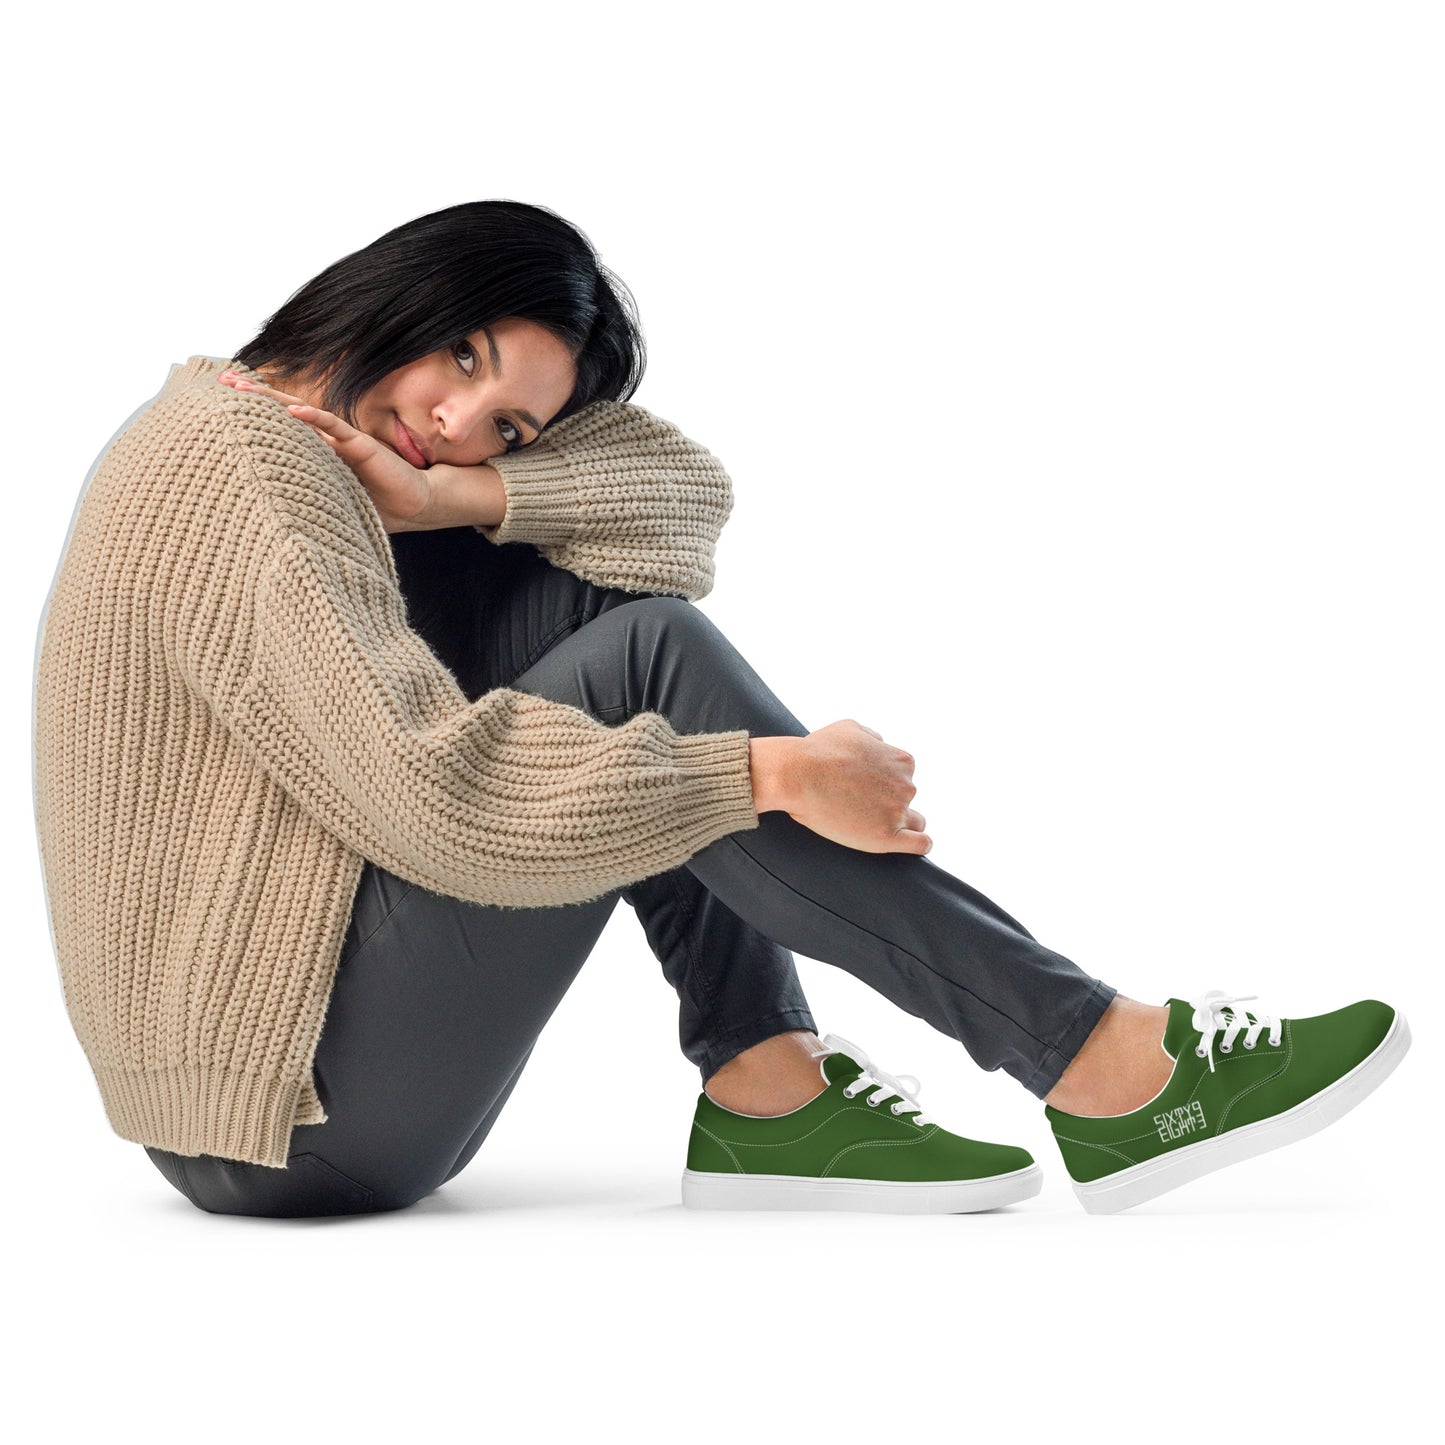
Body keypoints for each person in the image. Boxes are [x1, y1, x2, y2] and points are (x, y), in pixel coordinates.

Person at [32, 201, 1410, 1221]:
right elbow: (437, 802)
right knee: (652, 662)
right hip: (288, 1115)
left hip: (290, 1071)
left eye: (507, 425)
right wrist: (764, 774)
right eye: (458, 356)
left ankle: (768, 1083)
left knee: (618, 614)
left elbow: (681, 506)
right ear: (391, 291)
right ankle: (1102, 1063)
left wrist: (469, 496)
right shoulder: (251, 483)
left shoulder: (291, 440)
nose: (455, 420)